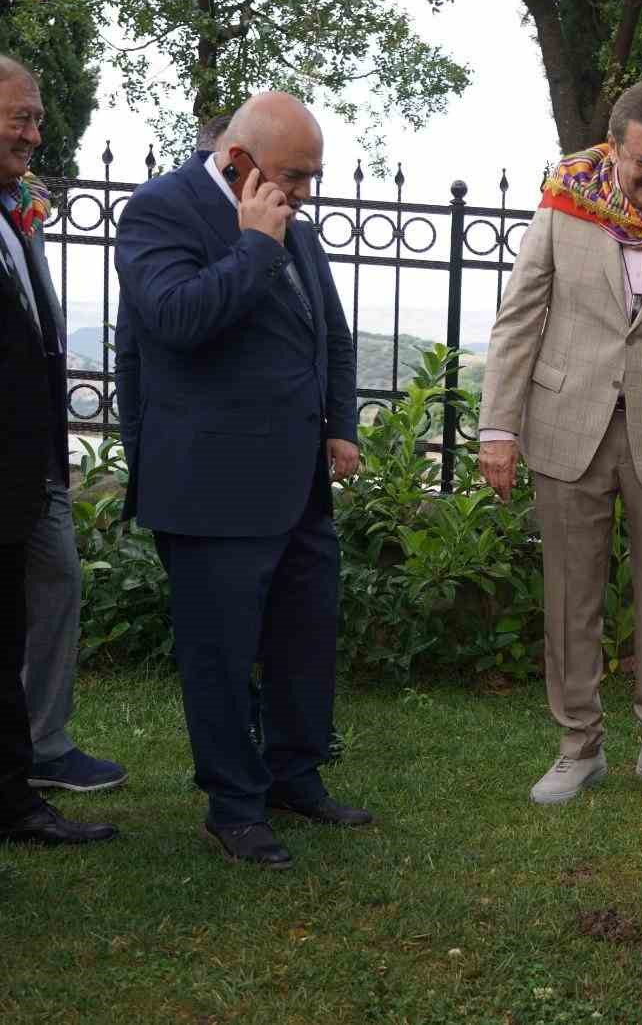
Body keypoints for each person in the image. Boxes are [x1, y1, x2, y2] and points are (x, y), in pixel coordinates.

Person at [114, 90, 372, 870]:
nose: (305, 193)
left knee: (304, 638)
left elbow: (330, 332)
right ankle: (234, 804)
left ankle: (295, 776)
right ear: (238, 160)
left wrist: (340, 425)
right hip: (208, 486)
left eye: (312, 176)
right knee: (219, 655)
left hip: (297, 481)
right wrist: (255, 246)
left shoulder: (298, 224)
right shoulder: (160, 211)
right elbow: (176, 319)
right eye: (295, 175)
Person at [478, 78, 642, 806]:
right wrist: (498, 429)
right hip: (568, 428)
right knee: (570, 599)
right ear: (615, 148)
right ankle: (578, 748)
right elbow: (519, 317)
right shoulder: (566, 202)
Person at [0, 56, 129, 795]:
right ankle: (29, 753)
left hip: (37, 451)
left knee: (57, 585)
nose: (34, 131)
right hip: (11, 454)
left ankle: (40, 744)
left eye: (39, 118)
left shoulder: (19, 210)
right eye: (20, 116)